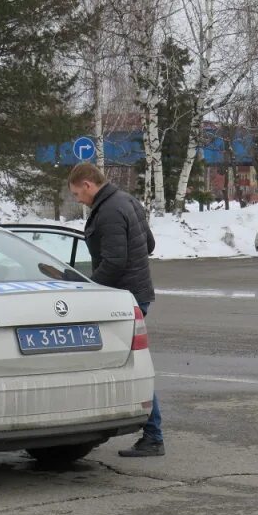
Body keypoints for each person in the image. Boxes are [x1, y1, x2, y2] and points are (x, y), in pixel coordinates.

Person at [67, 162, 164, 457]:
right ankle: (149, 433)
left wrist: (88, 288)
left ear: (88, 184)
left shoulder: (108, 211)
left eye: (76, 193)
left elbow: (114, 262)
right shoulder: (127, 200)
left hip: (123, 298)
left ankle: (153, 435)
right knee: (127, 362)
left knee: (129, 364)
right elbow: (149, 243)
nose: (77, 199)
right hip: (137, 293)